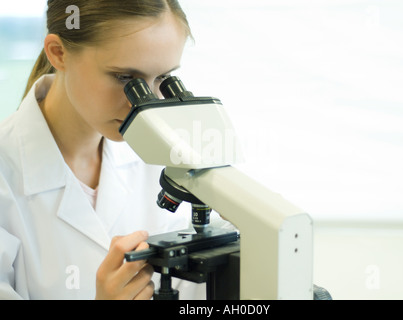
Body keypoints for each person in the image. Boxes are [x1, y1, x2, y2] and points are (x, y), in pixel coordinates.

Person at [0, 0, 230, 300]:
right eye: (124, 78)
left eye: (162, 78)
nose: (144, 104)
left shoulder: (157, 154)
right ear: (58, 53)